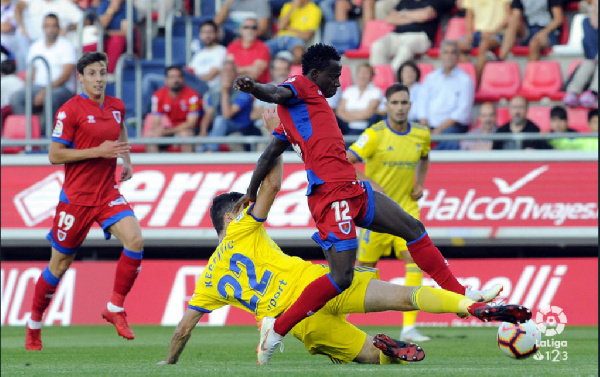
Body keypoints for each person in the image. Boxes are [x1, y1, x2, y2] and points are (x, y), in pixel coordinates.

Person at [158, 110, 532, 366]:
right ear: (228, 216)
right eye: (239, 207)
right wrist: (275, 134)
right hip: (322, 282)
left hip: (300, 319)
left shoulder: (208, 279)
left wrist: (169, 361)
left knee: (372, 358)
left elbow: (184, 328)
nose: (244, 208)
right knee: (405, 295)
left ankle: (386, 349)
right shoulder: (242, 227)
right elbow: (272, 184)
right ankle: (467, 305)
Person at [233, 43, 503, 365]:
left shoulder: (298, 115)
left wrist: (250, 191)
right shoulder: (300, 86)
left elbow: (267, 155)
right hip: (332, 196)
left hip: (353, 189)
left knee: (413, 229)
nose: (338, 83)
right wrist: (255, 88)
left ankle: (461, 294)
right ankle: (276, 329)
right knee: (342, 277)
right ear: (316, 74)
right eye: (334, 76)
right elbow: (276, 93)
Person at [25, 52, 143, 351]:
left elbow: (120, 127)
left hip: (107, 193)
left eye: (102, 72)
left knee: (135, 239)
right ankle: (35, 323)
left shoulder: (116, 106)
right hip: (76, 199)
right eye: (92, 73)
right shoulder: (69, 111)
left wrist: (125, 159)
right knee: (59, 265)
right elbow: (54, 155)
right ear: (81, 77)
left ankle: (114, 307)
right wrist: (98, 152)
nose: (99, 78)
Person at [345, 83, 431, 342]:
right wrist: (368, 183)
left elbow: (425, 157)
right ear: (387, 106)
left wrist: (420, 183)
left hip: (406, 208)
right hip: (377, 212)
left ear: (410, 105)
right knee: (363, 269)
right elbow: (347, 161)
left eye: (404, 103)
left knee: (415, 261)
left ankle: (408, 327)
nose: (400, 107)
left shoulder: (421, 134)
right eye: (395, 103)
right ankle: (340, 318)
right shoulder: (374, 135)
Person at [9, 13, 76, 133]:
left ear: (58, 28)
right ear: (43, 28)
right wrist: (30, 89)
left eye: (54, 26)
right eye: (48, 26)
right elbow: (32, 74)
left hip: (62, 88)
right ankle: (28, 135)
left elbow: (66, 76)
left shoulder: (66, 45)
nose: (51, 29)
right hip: (39, 87)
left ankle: (48, 139)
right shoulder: (36, 46)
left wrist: (45, 91)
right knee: (16, 97)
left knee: (50, 98)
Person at [417, 40, 474, 150]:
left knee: (449, 141)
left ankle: (431, 163)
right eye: (446, 53)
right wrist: (424, 125)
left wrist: (439, 130)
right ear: (440, 56)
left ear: (458, 56)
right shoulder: (431, 78)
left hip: (453, 127)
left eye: (453, 53)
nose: (449, 56)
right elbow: (422, 103)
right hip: (428, 125)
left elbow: (462, 112)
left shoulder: (465, 80)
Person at [369, 0, 453, 72]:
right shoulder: (405, 1)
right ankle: (378, 77)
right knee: (377, 46)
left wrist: (403, 14)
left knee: (405, 49)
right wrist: (416, 17)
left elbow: (426, 15)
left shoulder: (434, 1)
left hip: (420, 36)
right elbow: (390, 19)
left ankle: (392, 77)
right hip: (397, 35)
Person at [199, 60, 259, 152]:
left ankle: (210, 152)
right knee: (202, 140)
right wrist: (203, 132)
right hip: (220, 128)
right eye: (225, 71)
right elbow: (209, 114)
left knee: (220, 120)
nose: (227, 74)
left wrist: (225, 91)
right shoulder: (214, 92)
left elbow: (227, 115)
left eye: (231, 71)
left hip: (241, 127)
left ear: (236, 74)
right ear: (221, 74)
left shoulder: (244, 91)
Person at [13, 0, 83, 71]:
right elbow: (18, 8)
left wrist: (68, 27)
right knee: (20, 38)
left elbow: (84, 20)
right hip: (30, 41)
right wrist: (22, 26)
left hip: (53, 42)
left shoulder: (64, 4)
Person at [146, 66, 202, 153]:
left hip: (187, 130)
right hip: (169, 129)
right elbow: (156, 122)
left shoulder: (192, 95)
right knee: (150, 135)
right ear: (166, 80)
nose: (175, 80)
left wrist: (169, 131)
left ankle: (188, 166)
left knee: (185, 135)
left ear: (183, 79)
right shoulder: (158, 95)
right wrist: (164, 131)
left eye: (178, 77)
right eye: (172, 77)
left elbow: (192, 123)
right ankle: (155, 165)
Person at [457, 0, 510, 83]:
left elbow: (509, 15)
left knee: (484, 45)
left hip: (498, 33)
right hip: (478, 34)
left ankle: (476, 81)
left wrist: (493, 32)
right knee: (453, 47)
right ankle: (475, 70)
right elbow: (469, 14)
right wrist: (468, 33)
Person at [498, 0, 563, 62]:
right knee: (514, 21)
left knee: (534, 43)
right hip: (530, 30)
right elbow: (516, 15)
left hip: (548, 32)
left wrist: (543, 32)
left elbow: (558, 19)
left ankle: (532, 72)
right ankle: (501, 59)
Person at [82, 0, 137, 73]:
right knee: (88, 47)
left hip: (121, 44)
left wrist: (107, 33)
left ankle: (109, 73)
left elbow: (125, 33)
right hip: (104, 41)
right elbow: (99, 27)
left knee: (117, 40)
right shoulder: (104, 4)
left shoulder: (128, 7)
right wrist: (111, 10)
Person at [562, 0, 598, 108]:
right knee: (588, 62)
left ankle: (593, 92)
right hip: (593, 59)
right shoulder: (587, 22)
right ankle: (573, 93)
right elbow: (588, 47)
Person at [266, 0, 322, 64]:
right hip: (280, 38)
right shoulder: (288, 6)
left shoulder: (314, 9)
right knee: (262, 50)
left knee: (298, 53)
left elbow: (306, 36)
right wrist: (293, 7)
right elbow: (280, 27)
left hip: (296, 40)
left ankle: (290, 73)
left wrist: (287, 28)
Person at [336, 63, 382, 135]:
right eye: (361, 72)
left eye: (366, 72)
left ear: (371, 76)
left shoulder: (376, 91)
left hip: (365, 126)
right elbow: (340, 112)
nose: (363, 75)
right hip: (346, 125)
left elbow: (368, 114)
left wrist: (348, 114)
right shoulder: (349, 90)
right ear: (357, 74)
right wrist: (359, 114)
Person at [226, 17, 271, 84]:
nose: (250, 30)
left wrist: (236, 70)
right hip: (234, 84)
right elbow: (228, 71)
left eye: (253, 28)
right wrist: (249, 69)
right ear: (241, 30)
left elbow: (255, 74)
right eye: (246, 27)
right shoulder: (233, 46)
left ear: (257, 31)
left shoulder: (263, 47)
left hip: (256, 86)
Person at [187, 20, 228, 93]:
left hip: (211, 89)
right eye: (204, 32)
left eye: (210, 32)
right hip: (195, 87)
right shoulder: (199, 54)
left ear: (216, 34)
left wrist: (194, 77)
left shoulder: (222, 51)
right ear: (200, 35)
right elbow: (190, 71)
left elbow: (211, 75)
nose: (207, 35)